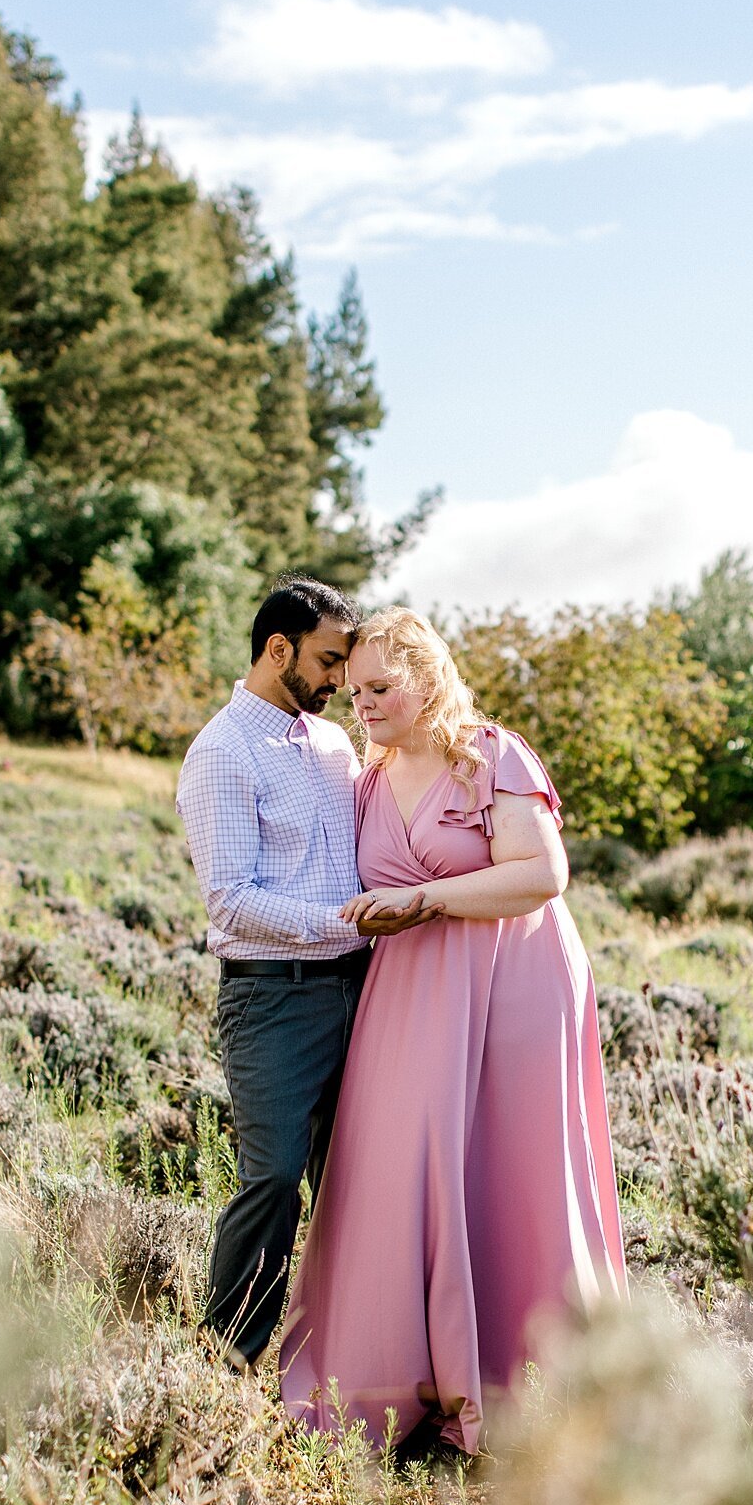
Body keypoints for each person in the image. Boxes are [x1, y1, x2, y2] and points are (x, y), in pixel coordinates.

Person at [279, 607, 626, 1459]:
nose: (360, 703)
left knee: (511, 1169)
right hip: (406, 994)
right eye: (353, 689)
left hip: (513, 985)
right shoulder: (366, 777)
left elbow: (543, 875)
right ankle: (399, 1386)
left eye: (381, 687)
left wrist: (425, 900)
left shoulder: (491, 754)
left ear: (428, 680)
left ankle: (525, 1384)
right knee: (400, 1167)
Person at [176, 579, 440, 1372]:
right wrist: (344, 922)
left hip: (365, 988)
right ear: (277, 649)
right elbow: (228, 900)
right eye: (329, 662)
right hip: (275, 999)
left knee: (359, 1174)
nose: (340, 683)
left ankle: (350, 1363)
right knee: (274, 1177)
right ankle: (227, 1363)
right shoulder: (221, 753)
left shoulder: (331, 744)